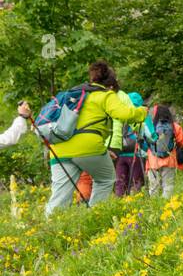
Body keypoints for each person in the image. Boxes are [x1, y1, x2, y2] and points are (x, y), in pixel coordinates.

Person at [45, 61, 148, 216]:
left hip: (58, 148)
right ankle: (95, 216)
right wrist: (142, 111)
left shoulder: (74, 93)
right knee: (106, 179)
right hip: (88, 147)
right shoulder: (105, 95)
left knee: (59, 197)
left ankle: (50, 230)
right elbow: (124, 114)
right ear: (111, 84)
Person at [143, 104, 183, 199]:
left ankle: (154, 205)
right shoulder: (175, 127)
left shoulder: (150, 127)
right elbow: (182, 142)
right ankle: (165, 205)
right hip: (169, 159)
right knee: (168, 185)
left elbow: (144, 142)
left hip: (152, 160)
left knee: (153, 186)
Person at [109, 92, 146, 196]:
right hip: (136, 153)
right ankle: (134, 202)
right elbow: (146, 134)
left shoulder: (120, 113)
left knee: (120, 181)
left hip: (120, 152)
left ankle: (119, 201)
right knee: (136, 181)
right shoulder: (139, 115)